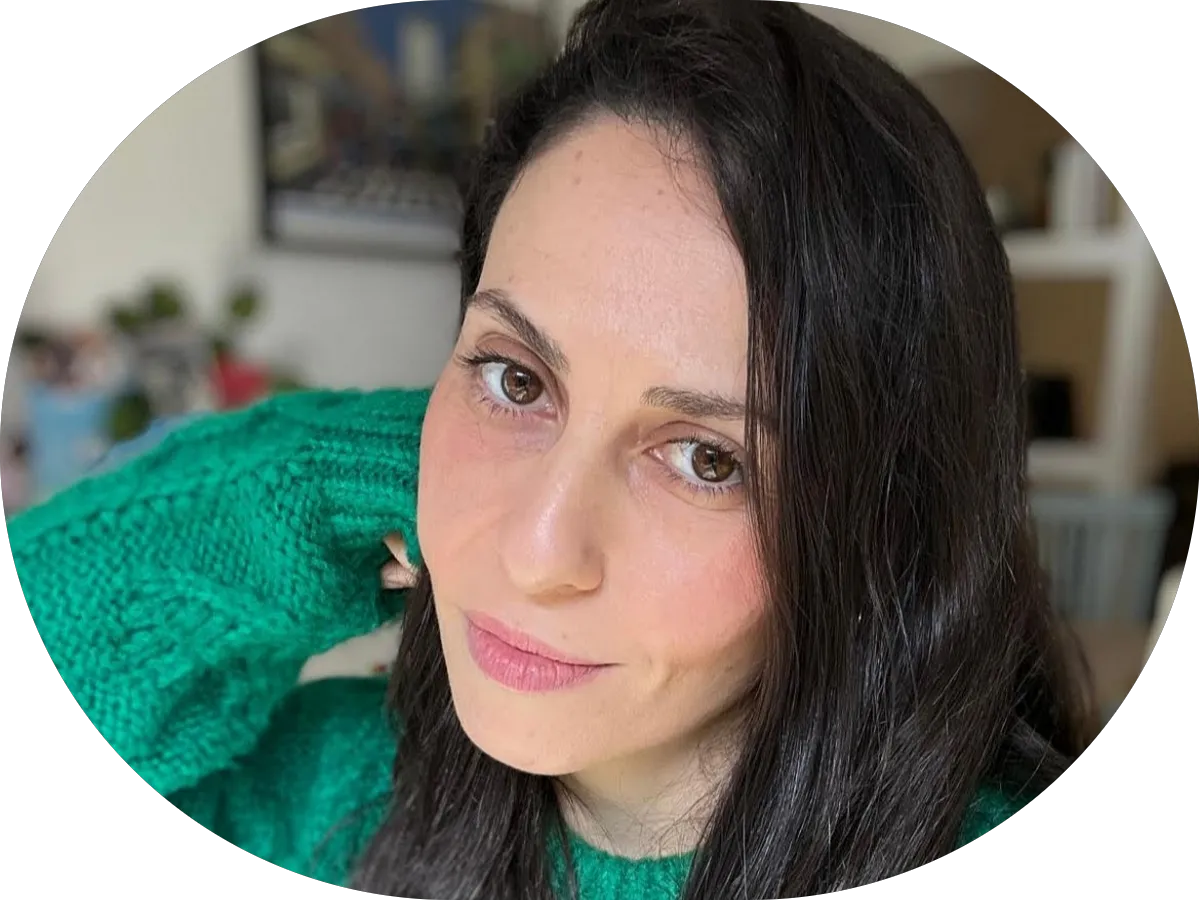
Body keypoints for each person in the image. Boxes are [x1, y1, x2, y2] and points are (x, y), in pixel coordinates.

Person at [7, 1, 1092, 897]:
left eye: (708, 459)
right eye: (515, 379)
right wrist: (319, 480)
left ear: (887, 524)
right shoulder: (342, 796)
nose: (536, 553)